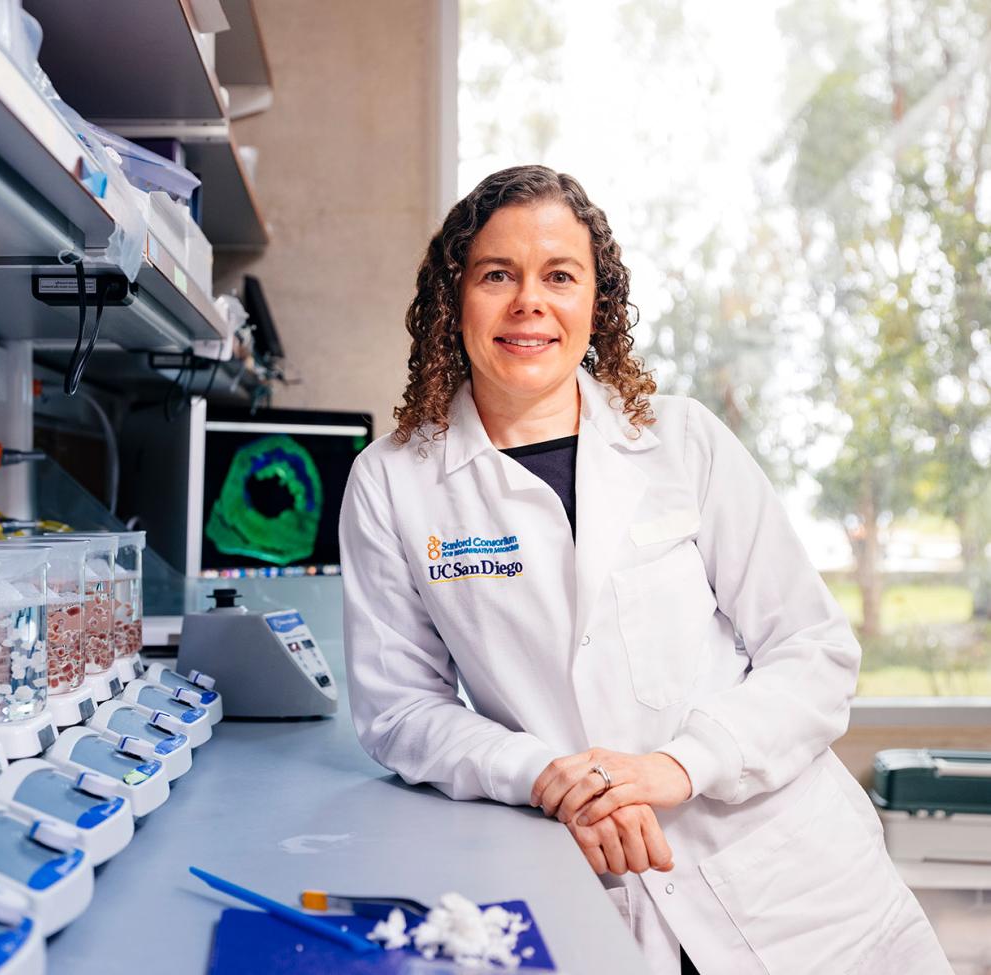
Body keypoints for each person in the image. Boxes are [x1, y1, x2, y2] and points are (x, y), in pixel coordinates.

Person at [338, 165, 951, 975]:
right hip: (596, 887)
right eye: (497, 275)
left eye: (560, 275)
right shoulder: (395, 481)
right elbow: (398, 708)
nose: (530, 302)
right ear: (453, 301)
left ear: (598, 303)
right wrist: (544, 775)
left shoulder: (682, 440)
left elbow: (814, 652)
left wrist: (675, 767)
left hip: (796, 886)